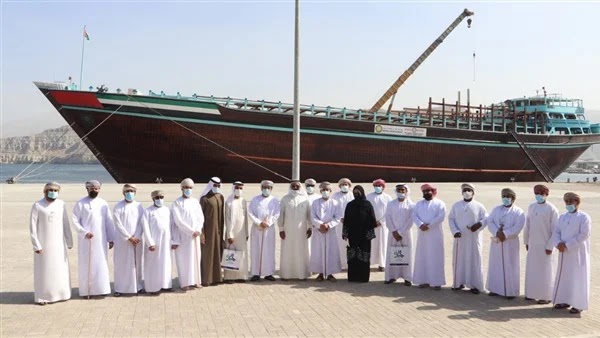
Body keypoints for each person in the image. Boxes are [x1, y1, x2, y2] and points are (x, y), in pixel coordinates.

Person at [30, 182, 73, 305]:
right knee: (44, 270)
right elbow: (32, 227)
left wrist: (69, 241)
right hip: (44, 245)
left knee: (60, 269)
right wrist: (36, 245)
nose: (53, 192)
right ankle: (43, 297)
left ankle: (63, 294)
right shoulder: (37, 205)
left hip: (59, 245)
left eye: (55, 190)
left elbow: (66, 224)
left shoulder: (61, 204)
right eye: (50, 190)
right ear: (45, 191)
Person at [72, 180, 114, 298]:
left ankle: (102, 289)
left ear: (99, 189)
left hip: (101, 240)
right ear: (87, 189)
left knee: (101, 264)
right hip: (86, 241)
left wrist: (111, 238)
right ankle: (87, 291)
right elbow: (75, 221)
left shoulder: (103, 203)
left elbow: (108, 221)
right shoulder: (81, 203)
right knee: (87, 265)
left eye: (96, 188)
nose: (94, 190)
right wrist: (84, 232)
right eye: (92, 188)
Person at [552, 192, 591, 314]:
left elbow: (584, 234)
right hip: (564, 252)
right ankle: (565, 300)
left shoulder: (584, 217)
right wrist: (558, 243)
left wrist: (567, 245)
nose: (568, 203)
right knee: (565, 276)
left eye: (570, 201)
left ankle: (578, 304)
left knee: (577, 277)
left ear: (577, 202)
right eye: (566, 201)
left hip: (577, 252)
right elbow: (556, 232)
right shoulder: (562, 217)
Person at [448, 183, 488, 294]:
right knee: (459, 260)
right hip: (460, 238)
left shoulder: (479, 206)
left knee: (474, 260)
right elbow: (451, 219)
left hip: (473, 238)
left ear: (473, 192)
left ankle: (475, 285)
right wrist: (455, 231)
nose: (467, 192)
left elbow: (486, 218)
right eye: (465, 190)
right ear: (461, 192)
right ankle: (458, 283)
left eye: (469, 190)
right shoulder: (456, 206)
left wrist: (479, 224)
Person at [486, 188, 525, 299]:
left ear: (513, 198)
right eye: (503, 196)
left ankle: (510, 291)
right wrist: (497, 232)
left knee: (510, 266)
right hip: (497, 241)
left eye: (508, 196)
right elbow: (490, 221)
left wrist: (506, 234)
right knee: (496, 265)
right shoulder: (496, 209)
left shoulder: (519, 212)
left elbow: (518, 226)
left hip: (510, 243)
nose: (505, 198)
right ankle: (495, 289)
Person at [523, 184, 559, 304]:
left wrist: (550, 246)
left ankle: (546, 296)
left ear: (546, 194)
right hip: (533, 244)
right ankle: (531, 293)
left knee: (545, 271)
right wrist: (526, 241)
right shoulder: (531, 207)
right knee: (532, 269)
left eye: (541, 193)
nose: (538, 195)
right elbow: (527, 226)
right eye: (536, 192)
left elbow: (556, 230)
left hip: (545, 246)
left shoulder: (551, 209)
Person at [171, 178, 204, 290]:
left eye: (190, 188)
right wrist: (191, 231)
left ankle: (196, 281)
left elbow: (200, 217)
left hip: (196, 235)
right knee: (184, 259)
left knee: (195, 258)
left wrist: (198, 229)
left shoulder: (195, 202)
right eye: (186, 187)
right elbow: (178, 221)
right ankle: (185, 283)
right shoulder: (177, 203)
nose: (188, 190)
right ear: (182, 188)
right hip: (184, 236)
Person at [112, 183, 145, 296]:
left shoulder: (139, 206)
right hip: (123, 241)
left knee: (136, 264)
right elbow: (118, 224)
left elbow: (142, 222)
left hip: (137, 240)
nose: (129, 193)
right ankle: (120, 288)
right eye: (127, 191)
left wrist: (137, 236)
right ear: (123, 193)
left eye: (132, 191)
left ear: (135, 193)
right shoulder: (118, 206)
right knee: (122, 263)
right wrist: (129, 237)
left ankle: (138, 286)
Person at [412, 183, 446, 289]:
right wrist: (421, 224)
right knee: (423, 257)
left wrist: (429, 225)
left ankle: (437, 282)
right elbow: (414, 215)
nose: (427, 193)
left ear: (433, 191)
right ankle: (423, 280)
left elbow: (441, 216)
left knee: (435, 257)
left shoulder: (440, 203)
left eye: (429, 190)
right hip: (422, 234)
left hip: (435, 234)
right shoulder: (418, 204)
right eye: (425, 191)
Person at [278, 180, 312, 280]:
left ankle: (302, 274)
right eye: (293, 186)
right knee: (287, 251)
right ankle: (286, 275)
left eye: (297, 186)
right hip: (288, 231)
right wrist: (281, 229)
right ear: (290, 187)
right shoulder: (285, 199)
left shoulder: (305, 199)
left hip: (302, 231)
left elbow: (309, 215)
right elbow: (281, 215)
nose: (295, 188)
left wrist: (310, 228)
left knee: (301, 251)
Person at [142, 190, 173, 294]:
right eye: (157, 198)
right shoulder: (148, 211)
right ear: (153, 199)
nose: (159, 199)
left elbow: (172, 226)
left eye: (161, 197)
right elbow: (145, 228)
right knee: (153, 264)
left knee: (166, 262)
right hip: (154, 242)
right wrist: (150, 243)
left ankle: (166, 285)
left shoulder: (168, 210)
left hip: (166, 242)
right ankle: (152, 287)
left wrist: (174, 241)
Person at [248, 180, 281, 281]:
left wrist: (268, 223)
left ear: (271, 189)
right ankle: (255, 273)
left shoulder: (274, 200)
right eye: (264, 187)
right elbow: (250, 213)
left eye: (268, 188)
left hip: (269, 229)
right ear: (261, 188)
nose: (266, 189)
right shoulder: (255, 199)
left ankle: (268, 273)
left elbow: (277, 213)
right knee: (256, 250)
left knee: (269, 251)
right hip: (257, 229)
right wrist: (259, 222)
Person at [343, 185, 377, 282]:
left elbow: (372, 219)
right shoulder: (350, 205)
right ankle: (353, 277)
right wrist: (345, 233)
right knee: (353, 256)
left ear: (362, 193)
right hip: (353, 235)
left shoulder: (367, 204)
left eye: (358, 192)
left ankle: (363, 278)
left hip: (365, 236)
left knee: (364, 256)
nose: (356, 194)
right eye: (355, 193)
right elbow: (346, 220)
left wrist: (370, 234)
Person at [310, 181, 342, 281]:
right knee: (318, 252)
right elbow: (312, 216)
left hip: (330, 231)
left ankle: (330, 274)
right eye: (323, 190)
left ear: (330, 191)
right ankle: (320, 273)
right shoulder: (315, 203)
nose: (325, 191)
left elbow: (338, 217)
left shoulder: (335, 203)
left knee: (331, 252)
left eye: (327, 190)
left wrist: (328, 225)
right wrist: (320, 225)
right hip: (319, 231)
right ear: (320, 191)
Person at [384, 183, 415, 285]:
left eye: (403, 190)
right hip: (393, 234)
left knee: (406, 254)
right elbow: (387, 218)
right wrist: (394, 231)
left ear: (406, 191)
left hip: (405, 234)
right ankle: (392, 276)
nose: (401, 192)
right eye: (399, 190)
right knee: (393, 254)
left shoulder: (411, 205)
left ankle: (407, 277)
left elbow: (411, 220)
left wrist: (400, 232)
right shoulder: (391, 204)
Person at [199, 177, 225, 286]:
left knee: (217, 254)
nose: (217, 188)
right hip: (208, 232)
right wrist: (202, 233)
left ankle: (216, 278)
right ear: (210, 185)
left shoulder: (220, 197)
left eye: (219, 186)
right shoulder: (204, 199)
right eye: (215, 185)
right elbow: (200, 217)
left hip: (218, 231)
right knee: (207, 255)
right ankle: (206, 279)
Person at [224, 182, 250, 282]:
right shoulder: (229, 202)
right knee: (231, 254)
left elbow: (246, 218)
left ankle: (241, 276)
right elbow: (227, 219)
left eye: (240, 188)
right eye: (236, 188)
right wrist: (229, 234)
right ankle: (230, 277)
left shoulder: (243, 201)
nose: (238, 190)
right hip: (232, 233)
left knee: (242, 254)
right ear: (233, 188)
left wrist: (246, 233)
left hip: (242, 232)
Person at [366, 179, 393, 271]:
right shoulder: (368, 197)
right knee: (371, 243)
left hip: (383, 226)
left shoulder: (388, 198)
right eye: (376, 185)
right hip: (371, 225)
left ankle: (382, 264)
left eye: (379, 185)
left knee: (383, 244)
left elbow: (389, 212)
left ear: (383, 187)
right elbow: (366, 211)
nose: (378, 187)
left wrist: (381, 222)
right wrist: (372, 221)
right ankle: (370, 262)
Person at [332, 178, 354, 270]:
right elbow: (333, 208)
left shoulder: (352, 195)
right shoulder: (335, 196)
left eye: (346, 184)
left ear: (349, 185)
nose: (344, 186)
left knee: (349, 243)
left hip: (351, 223)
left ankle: (350, 263)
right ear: (340, 186)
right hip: (339, 223)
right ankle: (340, 263)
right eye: (342, 184)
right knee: (339, 243)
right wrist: (340, 218)